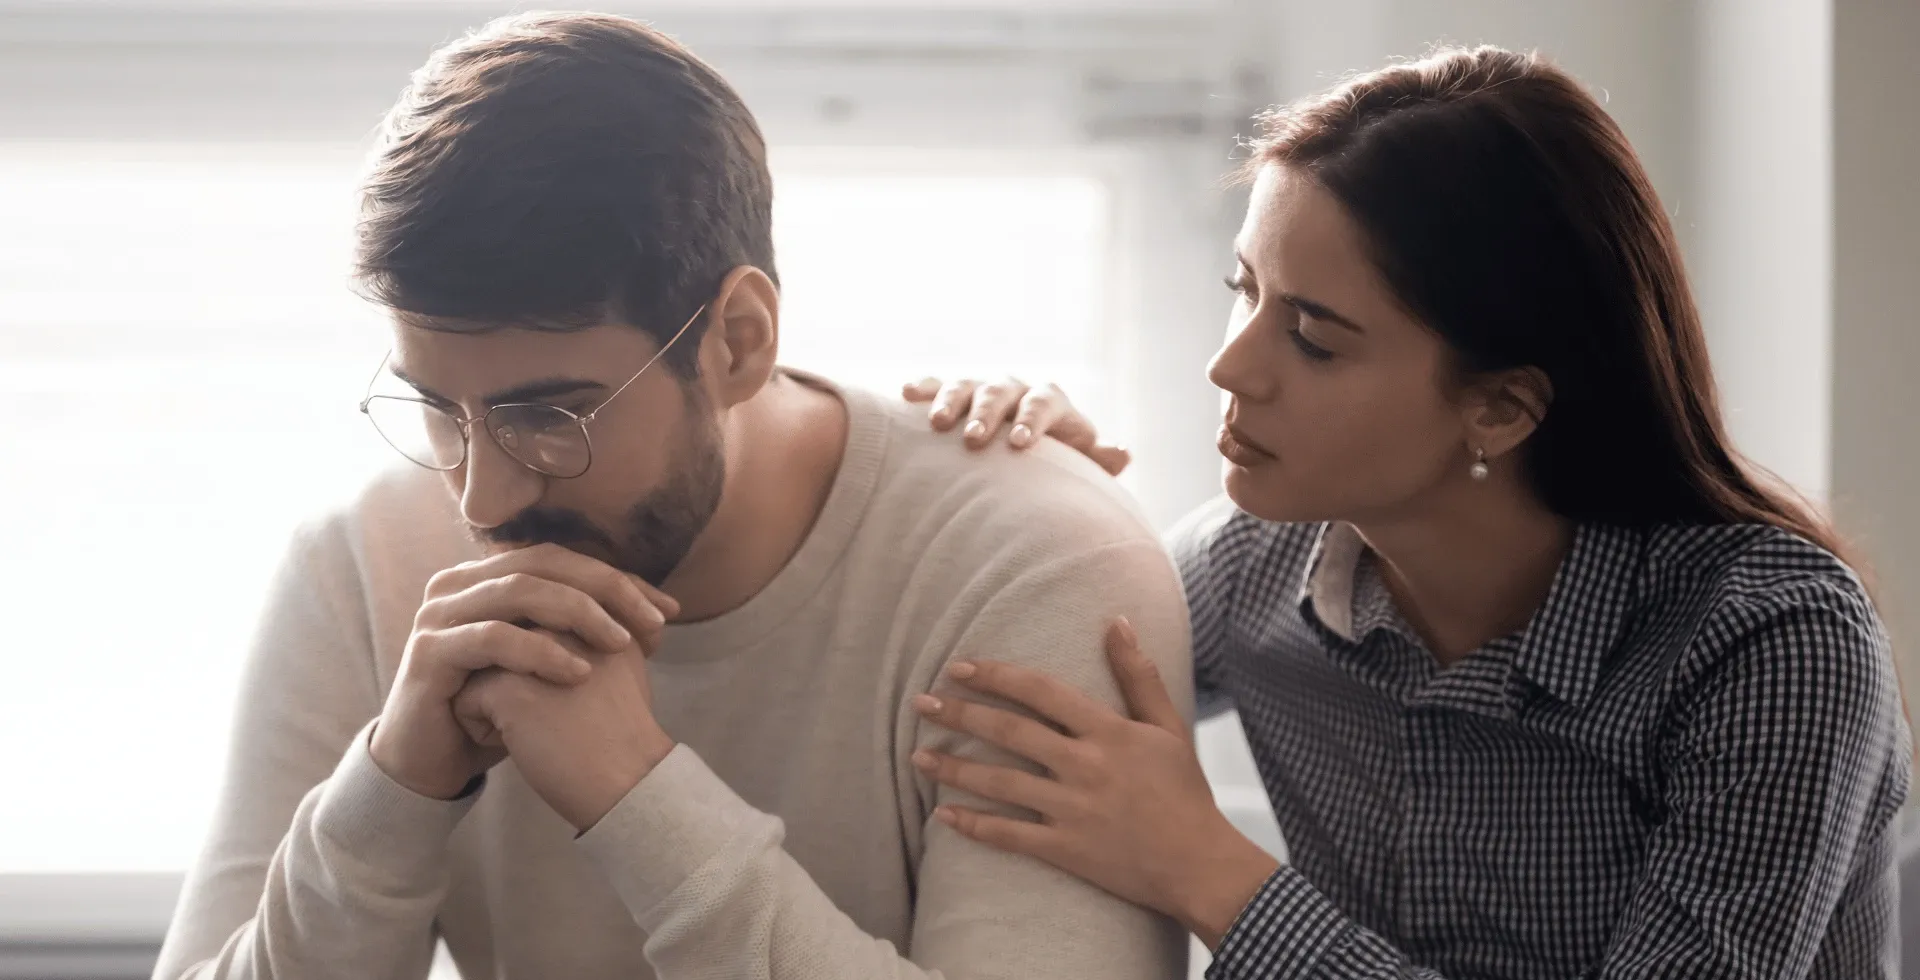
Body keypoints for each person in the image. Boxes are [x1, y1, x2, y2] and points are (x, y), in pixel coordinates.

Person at [152, 12, 1194, 980]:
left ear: (737, 340)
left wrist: (639, 798)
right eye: (437, 408)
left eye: (549, 414)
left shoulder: (1033, 565)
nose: (482, 493)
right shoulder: (365, 561)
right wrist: (391, 790)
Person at [901, 45, 1912, 980]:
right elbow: (1022, 671)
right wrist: (1042, 491)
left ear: (1501, 406)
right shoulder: (1252, 564)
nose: (1229, 365)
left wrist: (1208, 868)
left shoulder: (1770, 641)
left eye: (1314, 338)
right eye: (1242, 290)